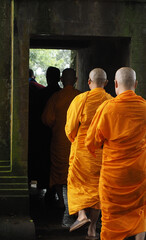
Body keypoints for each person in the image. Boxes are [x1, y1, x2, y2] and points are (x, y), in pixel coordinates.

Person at [86, 67, 146, 240]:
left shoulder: (107, 108)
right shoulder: (144, 108)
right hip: (139, 173)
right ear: (135, 84)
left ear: (115, 84)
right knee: (140, 211)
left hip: (114, 176)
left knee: (111, 218)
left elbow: (92, 141)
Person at [65, 68, 113, 239]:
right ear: (106, 83)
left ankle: (81, 215)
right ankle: (92, 228)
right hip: (101, 151)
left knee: (76, 182)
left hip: (82, 150)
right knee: (98, 191)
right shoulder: (110, 101)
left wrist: (75, 140)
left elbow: (70, 128)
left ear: (88, 82)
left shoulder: (80, 99)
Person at [42, 68, 81, 208]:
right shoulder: (81, 97)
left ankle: (62, 202)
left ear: (61, 80)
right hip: (77, 141)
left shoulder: (56, 97)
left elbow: (48, 119)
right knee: (76, 171)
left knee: (58, 171)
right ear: (76, 80)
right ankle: (74, 201)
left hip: (59, 140)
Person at [36, 67, 61, 190]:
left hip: (42, 133)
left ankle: (43, 184)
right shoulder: (63, 95)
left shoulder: (41, 94)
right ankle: (54, 191)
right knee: (57, 165)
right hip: (60, 134)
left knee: (43, 159)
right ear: (59, 78)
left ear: (47, 77)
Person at [28, 69, 44, 184]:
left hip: (22, 129)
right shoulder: (41, 89)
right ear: (33, 75)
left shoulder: (18, 89)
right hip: (40, 128)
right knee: (38, 155)